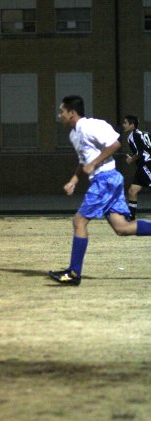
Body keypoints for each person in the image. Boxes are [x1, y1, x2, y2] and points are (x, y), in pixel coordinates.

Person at [48, 95, 151, 285]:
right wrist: (74, 180)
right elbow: (84, 161)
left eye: (62, 111)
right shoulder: (74, 134)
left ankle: (73, 273)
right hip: (107, 180)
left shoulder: (90, 126)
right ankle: (73, 272)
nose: (59, 115)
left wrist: (94, 164)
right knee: (122, 228)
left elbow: (115, 144)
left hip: (105, 180)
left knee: (79, 221)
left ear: (72, 113)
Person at [121, 115, 151, 220]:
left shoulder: (132, 136)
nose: (123, 125)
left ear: (132, 125)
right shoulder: (145, 133)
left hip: (146, 165)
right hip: (141, 166)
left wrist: (131, 160)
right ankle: (131, 216)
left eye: (125, 123)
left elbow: (139, 152)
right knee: (132, 191)